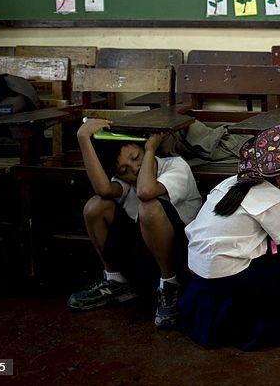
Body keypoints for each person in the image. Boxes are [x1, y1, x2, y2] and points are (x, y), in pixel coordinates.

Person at [179, 147, 280, 349]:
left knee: (279, 248)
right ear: (279, 179)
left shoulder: (231, 183)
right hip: (226, 287)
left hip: (200, 279)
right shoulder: (270, 200)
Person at [67, 118, 202, 329]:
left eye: (136, 157)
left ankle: (170, 286)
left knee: (149, 207)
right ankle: (116, 281)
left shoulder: (175, 167)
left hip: (181, 256)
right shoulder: (128, 183)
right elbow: (103, 190)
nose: (135, 169)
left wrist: (150, 150)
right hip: (144, 257)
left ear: (146, 149)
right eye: (124, 170)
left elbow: (146, 191)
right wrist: (83, 137)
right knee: (96, 206)